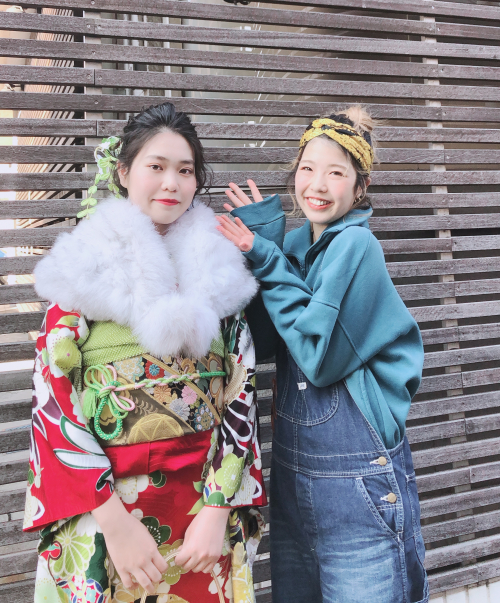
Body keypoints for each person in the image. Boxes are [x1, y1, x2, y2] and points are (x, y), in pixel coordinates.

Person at [24, 101, 266, 603]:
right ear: (123, 172)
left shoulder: (218, 276)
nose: (171, 184)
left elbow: (240, 394)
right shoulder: (82, 268)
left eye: (185, 171)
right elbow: (53, 401)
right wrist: (113, 523)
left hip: (202, 510)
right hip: (104, 512)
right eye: (156, 167)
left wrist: (217, 510)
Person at [216, 106, 428, 603]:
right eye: (308, 168)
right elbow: (265, 342)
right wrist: (268, 239)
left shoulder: (357, 246)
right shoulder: (297, 244)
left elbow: (317, 356)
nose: (317, 184)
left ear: (360, 187)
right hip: (295, 477)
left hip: (359, 480)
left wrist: (266, 256)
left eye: (336, 173)